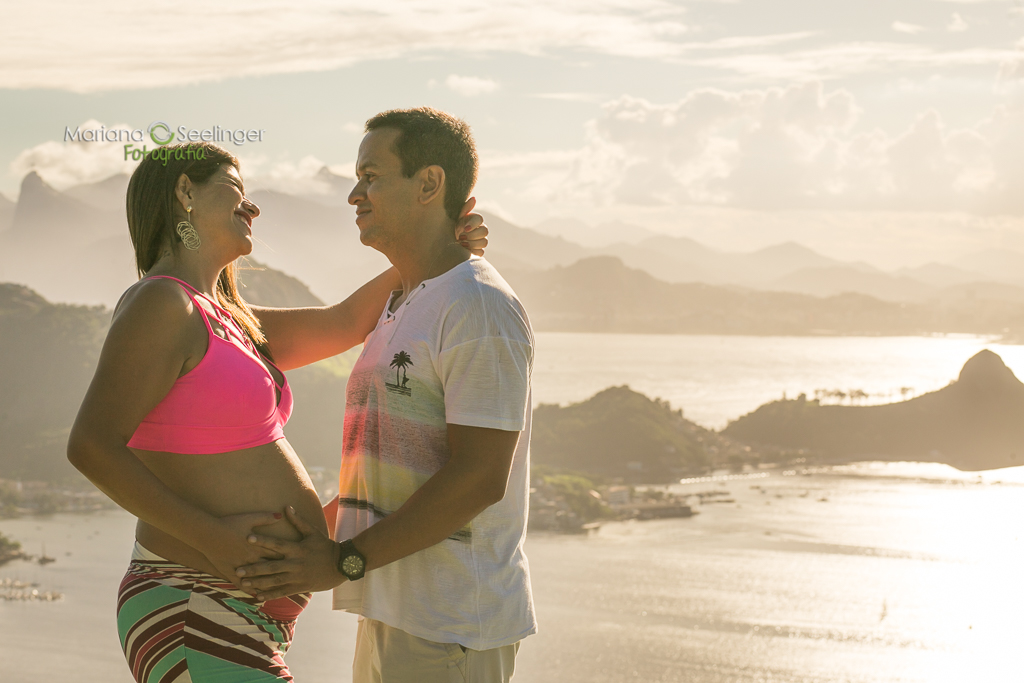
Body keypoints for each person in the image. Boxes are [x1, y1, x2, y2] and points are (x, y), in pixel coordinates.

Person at [66, 140, 488, 683]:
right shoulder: (161, 304)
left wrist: (440, 252)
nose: (253, 207)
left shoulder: (228, 318)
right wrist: (217, 542)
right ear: (185, 191)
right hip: (195, 603)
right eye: (236, 190)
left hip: (233, 613)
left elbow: (345, 323)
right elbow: (91, 446)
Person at [235, 108, 536, 683]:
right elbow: (390, 470)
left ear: (429, 184)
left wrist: (345, 560)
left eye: (371, 176)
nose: (354, 194)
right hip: (395, 611)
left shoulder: (479, 307)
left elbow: (479, 477)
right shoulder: (405, 303)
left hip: (451, 627)